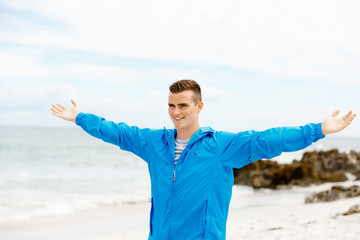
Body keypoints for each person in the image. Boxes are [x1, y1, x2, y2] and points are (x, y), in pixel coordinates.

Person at [51, 80, 356, 240]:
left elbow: (268, 139)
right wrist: (80, 117)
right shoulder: (153, 142)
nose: (176, 112)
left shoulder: (221, 146)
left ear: (199, 106)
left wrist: (317, 130)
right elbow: (116, 132)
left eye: (183, 105)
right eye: (171, 105)